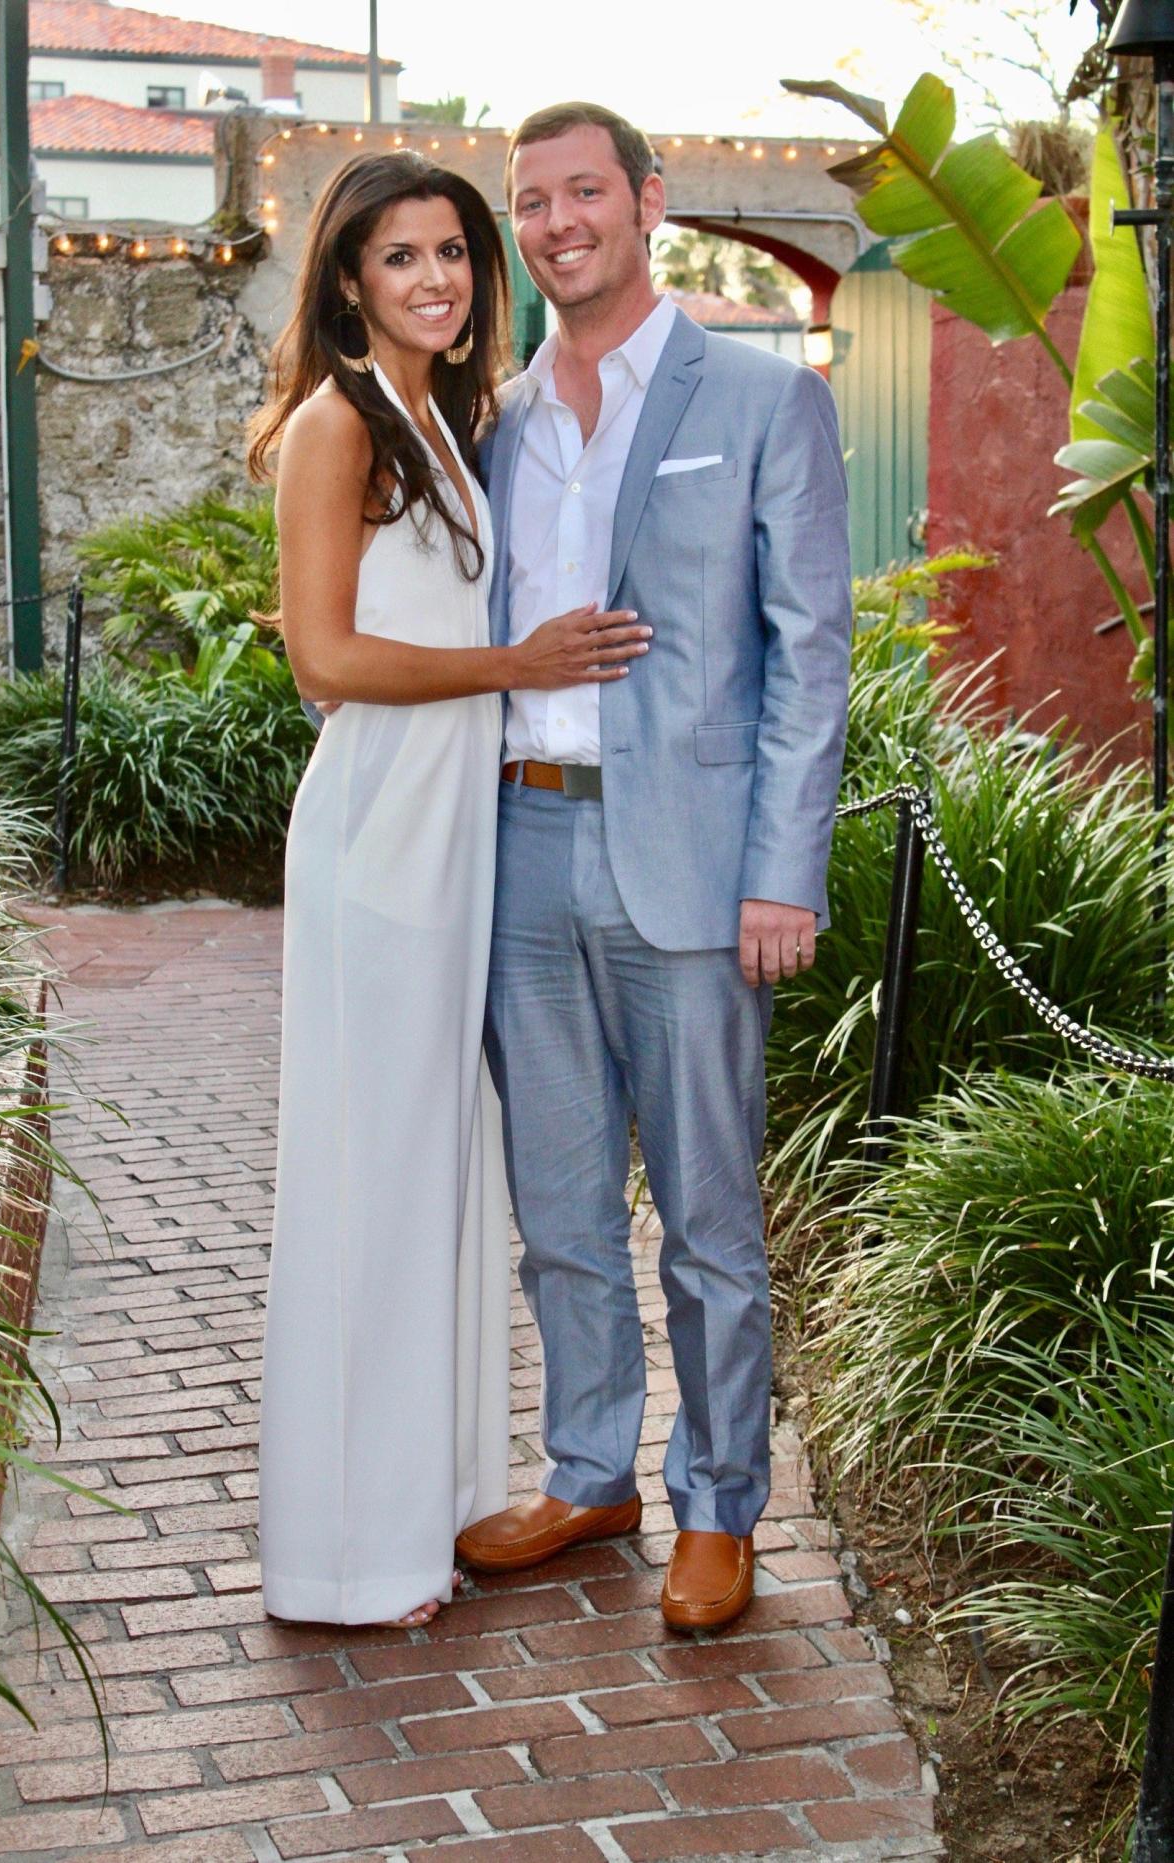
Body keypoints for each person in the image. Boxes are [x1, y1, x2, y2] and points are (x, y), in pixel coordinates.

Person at [455, 103, 853, 1633]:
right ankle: (587, 1470)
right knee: (557, 1203)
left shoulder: (755, 398)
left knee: (703, 1217)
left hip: (687, 863)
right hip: (519, 843)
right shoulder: (494, 420)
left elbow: (805, 659)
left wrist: (784, 872)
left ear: (646, 201)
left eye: (581, 193)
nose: (556, 223)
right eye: (530, 201)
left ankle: (718, 1506)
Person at [250, 150, 651, 1630]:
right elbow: (326, 662)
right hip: (379, 839)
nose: (436, 279)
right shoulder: (331, 427)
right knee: (371, 1183)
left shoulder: (442, 417)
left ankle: (424, 1513)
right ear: (350, 279)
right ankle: (344, 1557)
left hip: (456, 833)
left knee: (441, 1171)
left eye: (452, 255)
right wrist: (514, 664)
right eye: (400, 258)